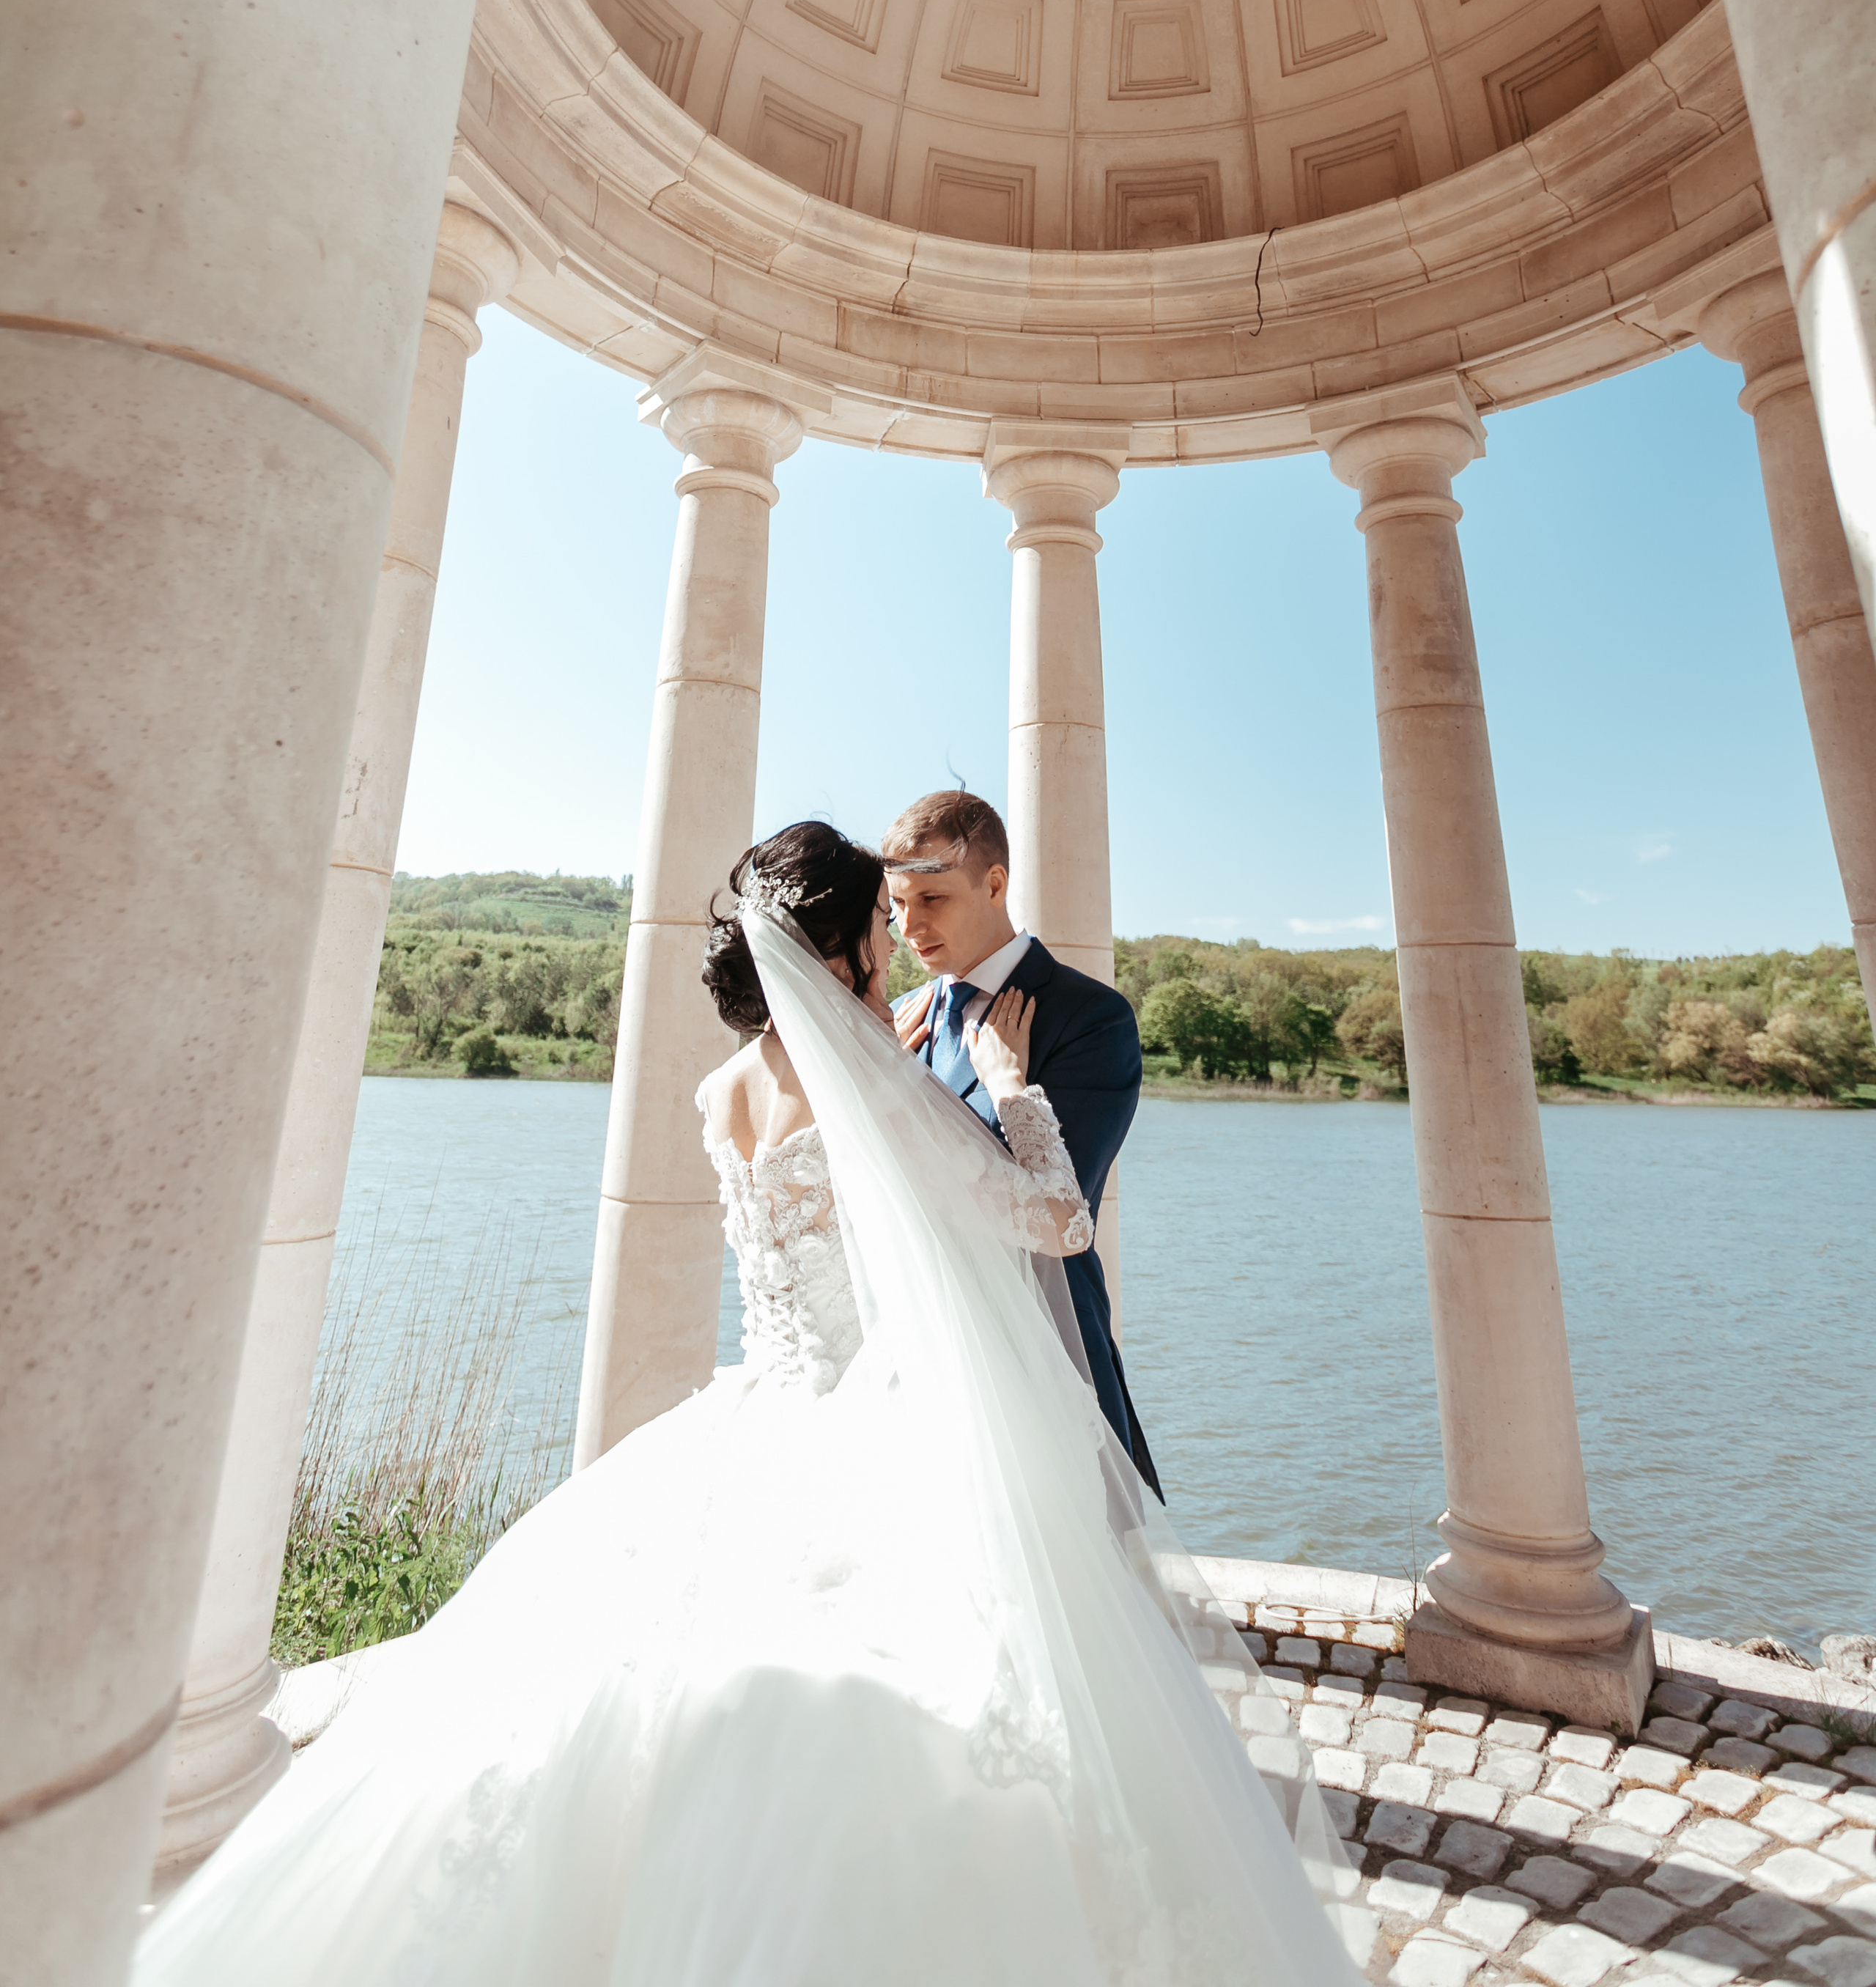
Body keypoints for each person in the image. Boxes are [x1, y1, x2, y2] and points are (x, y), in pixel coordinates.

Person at [138, 822, 1360, 1987]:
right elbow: (1053, 1215)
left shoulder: (722, 1093)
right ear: (843, 955)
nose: (897, 945)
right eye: (882, 926)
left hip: (749, 1426)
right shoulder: (879, 1088)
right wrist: (1003, 1078)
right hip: (876, 1434)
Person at [885, 788, 1160, 1493]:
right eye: (897, 905)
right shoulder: (896, 1021)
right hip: (921, 1354)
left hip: (1042, 1356)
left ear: (995, 884)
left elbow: (1054, 1214)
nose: (908, 927)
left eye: (931, 900)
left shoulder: (1090, 1019)